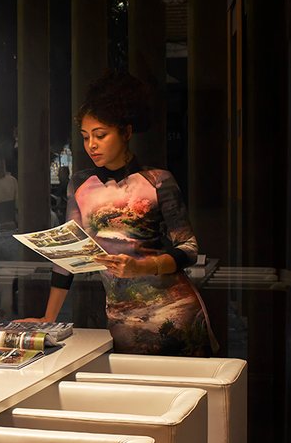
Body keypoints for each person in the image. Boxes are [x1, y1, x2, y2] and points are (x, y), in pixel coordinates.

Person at [31, 71, 218, 355]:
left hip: (175, 313)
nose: (91, 144)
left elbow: (189, 249)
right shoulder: (81, 185)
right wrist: (49, 318)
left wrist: (140, 266)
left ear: (126, 132)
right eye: (85, 137)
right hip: (121, 319)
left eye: (100, 135)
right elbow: (66, 256)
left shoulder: (158, 181)